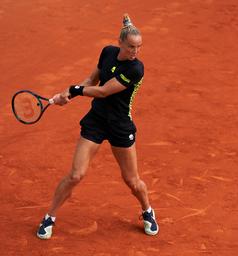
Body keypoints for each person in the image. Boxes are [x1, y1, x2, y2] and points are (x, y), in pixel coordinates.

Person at [37, 14, 159, 239]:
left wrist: (74, 90)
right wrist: (67, 95)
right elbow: (92, 80)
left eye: (139, 47)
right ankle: (49, 217)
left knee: (132, 180)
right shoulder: (108, 52)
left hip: (120, 125)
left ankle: (147, 210)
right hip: (97, 120)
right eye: (131, 46)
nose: (135, 51)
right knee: (75, 175)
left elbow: (103, 91)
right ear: (120, 43)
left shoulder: (136, 69)